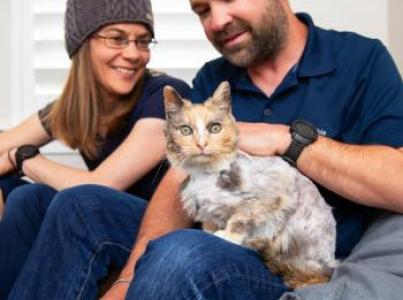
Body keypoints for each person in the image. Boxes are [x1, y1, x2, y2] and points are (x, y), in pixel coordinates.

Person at [4, 0, 403, 299]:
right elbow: (181, 182)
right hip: (221, 231)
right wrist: (128, 276)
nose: (216, 21)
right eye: (201, 9)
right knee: (75, 204)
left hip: (292, 256)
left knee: (182, 252)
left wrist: (288, 140)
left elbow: (397, 182)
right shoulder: (215, 77)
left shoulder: (360, 60)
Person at [0, 0, 190, 298]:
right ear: (82, 45)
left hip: (165, 230)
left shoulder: (166, 97)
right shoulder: (77, 107)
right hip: (109, 222)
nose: (133, 53)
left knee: (79, 204)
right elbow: (4, 144)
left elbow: (103, 185)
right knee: (24, 196)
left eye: (142, 41)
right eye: (117, 38)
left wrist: (22, 159)